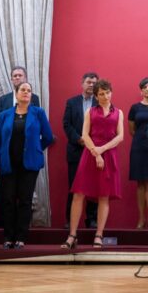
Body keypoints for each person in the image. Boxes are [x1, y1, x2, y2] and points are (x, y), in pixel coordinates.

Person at [0, 81, 55, 249]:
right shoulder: (5, 115)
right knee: (8, 201)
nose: (26, 92)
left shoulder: (38, 113)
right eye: (23, 90)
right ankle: (8, 238)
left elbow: (48, 137)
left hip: (29, 165)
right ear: (16, 94)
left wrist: (36, 149)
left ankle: (20, 238)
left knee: (25, 201)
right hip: (7, 165)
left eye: (29, 90)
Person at [62, 79, 124, 249]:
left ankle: (99, 235)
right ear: (96, 96)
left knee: (104, 196)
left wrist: (101, 150)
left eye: (107, 92)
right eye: (101, 94)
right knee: (78, 194)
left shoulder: (119, 112)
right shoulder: (90, 111)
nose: (105, 96)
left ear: (111, 92)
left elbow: (120, 137)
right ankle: (72, 235)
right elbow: (85, 134)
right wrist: (95, 152)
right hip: (89, 154)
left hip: (108, 155)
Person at [0, 66, 42, 229]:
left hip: (27, 151)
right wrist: (7, 133)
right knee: (4, 190)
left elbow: (39, 124)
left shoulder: (35, 98)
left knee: (24, 192)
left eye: (20, 75)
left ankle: (22, 224)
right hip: (6, 149)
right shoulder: (4, 99)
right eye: (14, 76)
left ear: (25, 77)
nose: (17, 78)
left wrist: (34, 147)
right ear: (11, 79)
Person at [62, 71, 99, 228]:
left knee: (93, 187)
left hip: (94, 151)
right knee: (74, 186)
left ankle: (91, 219)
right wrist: (79, 139)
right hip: (76, 150)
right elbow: (66, 124)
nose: (91, 85)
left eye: (94, 83)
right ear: (82, 84)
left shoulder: (101, 103)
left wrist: (91, 143)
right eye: (88, 82)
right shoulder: (72, 102)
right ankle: (70, 220)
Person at [128, 77, 148, 229]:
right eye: (144, 87)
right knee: (140, 183)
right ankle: (141, 218)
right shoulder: (134, 108)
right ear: (141, 90)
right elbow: (131, 130)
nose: (147, 89)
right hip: (138, 147)